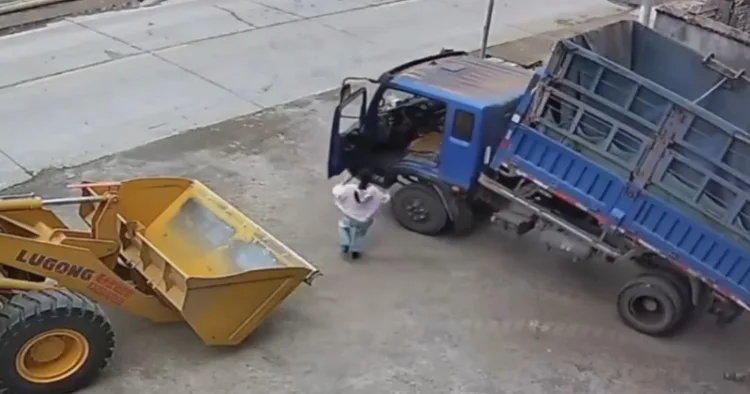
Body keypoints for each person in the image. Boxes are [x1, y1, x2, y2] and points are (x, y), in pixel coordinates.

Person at [332, 170, 390, 260]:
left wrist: (345, 181)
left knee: (343, 227)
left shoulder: (349, 188)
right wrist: (385, 190)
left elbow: (336, 191)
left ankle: (345, 244)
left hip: (349, 217)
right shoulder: (376, 192)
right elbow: (386, 199)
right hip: (365, 220)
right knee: (360, 234)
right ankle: (355, 250)